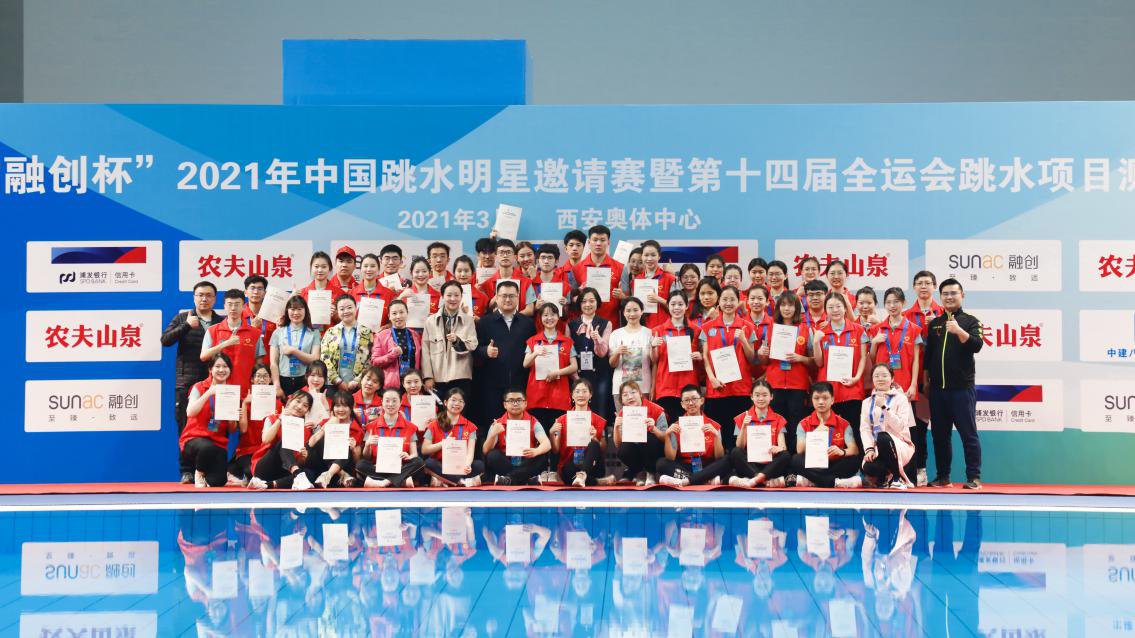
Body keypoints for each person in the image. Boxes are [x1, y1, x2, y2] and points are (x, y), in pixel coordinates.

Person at [925, 279, 984, 489]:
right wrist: (925, 382)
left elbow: (977, 345)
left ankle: (974, 478)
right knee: (940, 437)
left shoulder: (971, 321)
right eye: (945, 294)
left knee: (969, 435)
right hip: (937, 391)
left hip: (962, 390)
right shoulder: (935, 323)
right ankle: (943, 477)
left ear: (962, 295)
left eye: (953, 293)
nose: (949, 297)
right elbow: (928, 356)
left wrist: (959, 330)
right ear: (940, 297)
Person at [161, 280, 222, 482]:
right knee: (185, 427)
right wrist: (187, 326)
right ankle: (186, 471)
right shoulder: (183, 318)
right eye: (200, 295)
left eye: (208, 295)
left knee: (215, 427)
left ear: (215, 299)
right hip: (187, 383)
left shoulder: (220, 322)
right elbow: (165, 340)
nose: (204, 299)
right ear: (194, 297)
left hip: (214, 384)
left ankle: (207, 471)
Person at [473, 280, 536, 435]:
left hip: (519, 384)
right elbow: (474, 349)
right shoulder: (485, 322)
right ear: (496, 297)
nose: (508, 299)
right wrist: (485, 351)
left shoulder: (528, 324)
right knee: (493, 427)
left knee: (518, 429)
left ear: (518, 297)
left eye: (512, 296)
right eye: (504, 296)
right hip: (492, 385)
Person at [700, 285, 756, 449]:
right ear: (719, 301)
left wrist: (743, 340)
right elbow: (705, 356)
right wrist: (711, 378)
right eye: (725, 299)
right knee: (718, 435)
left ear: (738, 302)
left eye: (732, 299)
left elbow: (752, 358)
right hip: (716, 387)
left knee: (738, 435)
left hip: (741, 388)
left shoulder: (747, 326)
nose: (728, 303)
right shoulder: (707, 327)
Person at [812, 292, 869, 449]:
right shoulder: (821, 332)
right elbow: (819, 362)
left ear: (845, 308)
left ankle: (858, 462)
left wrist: (856, 377)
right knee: (830, 433)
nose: (835, 310)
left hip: (852, 389)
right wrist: (816, 342)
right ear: (825, 310)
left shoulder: (859, 330)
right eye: (830, 307)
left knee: (855, 430)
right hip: (829, 392)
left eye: (838, 306)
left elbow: (863, 357)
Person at [758, 291, 813, 451]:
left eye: (791, 305)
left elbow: (814, 361)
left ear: (797, 308)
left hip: (798, 384)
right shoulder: (770, 329)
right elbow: (764, 361)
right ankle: (779, 456)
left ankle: (795, 457)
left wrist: (800, 358)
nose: (787, 308)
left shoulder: (805, 330)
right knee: (777, 422)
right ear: (778, 308)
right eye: (783, 305)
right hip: (775, 383)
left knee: (797, 422)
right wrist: (762, 353)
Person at [180, 354, 241, 487]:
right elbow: (190, 412)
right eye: (217, 366)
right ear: (210, 370)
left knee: (218, 481)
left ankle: (207, 476)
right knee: (207, 447)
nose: (221, 370)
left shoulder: (231, 392)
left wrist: (233, 418)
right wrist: (209, 393)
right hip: (194, 439)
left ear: (230, 370)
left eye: (225, 366)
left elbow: (232, 430)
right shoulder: (199, 387)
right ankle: (199, 472)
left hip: (218, 443)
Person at [790, 382, 863, 488]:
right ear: (812, 400)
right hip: (814, 464)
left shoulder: (844, 423)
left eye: (825, 398)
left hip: (835, 463)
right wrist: (815, 434)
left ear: (832, 400)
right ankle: (835, 482)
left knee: (854, 461)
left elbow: (854, 450)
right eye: (816, 398)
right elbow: (800, 450)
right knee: (796, 459)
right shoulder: (803, 423)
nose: (821, 402)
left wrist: (842, 451)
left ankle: (814, 480)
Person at [200, 288, 266, 399]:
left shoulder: (254, 333)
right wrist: (225, 344)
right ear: (224, 306)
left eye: (237, 304)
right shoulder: (212, 330)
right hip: (218, 391)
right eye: (230, 304)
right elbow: (203, 356)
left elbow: (259, 365)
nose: (233, 308)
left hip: (244, 391)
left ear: (243, 306)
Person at [656, 385, 727, 487]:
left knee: (727, 460)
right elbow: (670, 458)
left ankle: (686, 480)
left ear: (702, 400)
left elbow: (719, 457)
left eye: (694, 399)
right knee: (661, 463)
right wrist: (667, 435)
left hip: (707, 466)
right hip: (686, 466)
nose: (690, 403)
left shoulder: (714, 426)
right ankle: (703, 480)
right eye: (686, 400)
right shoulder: (676, 426)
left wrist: (716, 436)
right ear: (682, 404)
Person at [523, 302, 579, 430]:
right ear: (540, 318)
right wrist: (535, 353)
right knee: (538, 432)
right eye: (545, 315)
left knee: (557, 432)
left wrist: (557, 372)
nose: (549, 318)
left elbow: (574, 366)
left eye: (553, 314)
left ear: (558, 317)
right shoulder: (533, 341)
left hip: (559, 395)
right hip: (537, 394)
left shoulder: (567, 341)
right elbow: (525, 364)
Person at [861, 364, 917, 489]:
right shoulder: (866, 402)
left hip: (899, 445)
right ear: (872, 379)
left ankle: (897, 478)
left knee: (883, 437)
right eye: (876, 376)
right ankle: (884, 479)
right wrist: (869, 449)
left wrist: (884, 407)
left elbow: (900, 427)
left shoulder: (901, 399)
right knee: (868, 466)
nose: (880, 379)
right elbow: (865, 428)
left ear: (892, 379)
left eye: (884, 375)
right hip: (878, 448)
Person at [356, 388, 426, 488]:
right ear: (382, 402)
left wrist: (408, 457)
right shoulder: (371, 426)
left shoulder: (410, 427)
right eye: (387, 400)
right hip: (378, 467)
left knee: (419, 462)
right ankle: (401, 481)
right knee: (360, 465)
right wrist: (367, 444)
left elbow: (414, 454)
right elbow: (367, 457)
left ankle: (384, 482)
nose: (390, 404)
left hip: (401, 467)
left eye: (394, 401)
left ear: (400, 402)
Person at [727, 381, 792, 488]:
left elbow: (783, 446)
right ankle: (764, 480)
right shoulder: (742, 417)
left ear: (771, 397)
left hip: (770, 464)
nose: (761, 399)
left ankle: (755, 480)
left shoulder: (779, 419)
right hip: (750, 464)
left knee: (785, 455)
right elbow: (740, 446)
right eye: (757, 395)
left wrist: (778, 448)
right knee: (735, 452)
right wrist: (744, 426)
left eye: (765, 395)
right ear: (751, 397)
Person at [650, 290, 702, 424]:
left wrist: (700, 356)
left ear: (687, 306)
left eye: (680, 304)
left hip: (689, 386)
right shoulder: (657, 331)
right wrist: (653, 347)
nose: (677, 308)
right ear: (668, 306)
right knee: (669, 428)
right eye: (673, 304)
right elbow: (654, 360)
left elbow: (704, 360)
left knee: (689, 427)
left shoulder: (696, 330)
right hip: (666, 386)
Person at [421, 281, 478, 399]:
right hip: (437, 378)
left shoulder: (468, 320)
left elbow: (473, 345)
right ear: (442, 296)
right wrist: (427, 376)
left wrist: (457, 341)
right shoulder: (430, 321)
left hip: (461, 377)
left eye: (457, 295)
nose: (453, 299)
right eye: (449, 295)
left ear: (461, 297)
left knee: (459, 409)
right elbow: (425, 351)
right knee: (438, 410)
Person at [247, 390, 315, 489]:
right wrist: (280, 419)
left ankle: (267, 485)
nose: (300, 406)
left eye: (305, 405)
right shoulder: (272, 418)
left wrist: (302, 457)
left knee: (310, 474)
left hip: (285, 470)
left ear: (307, 411)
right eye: (298, 401)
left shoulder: (305, 430)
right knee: (284, 442)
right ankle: (298, 475)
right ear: (290, 401)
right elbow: (265, 439)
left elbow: (298, 463)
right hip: (265, 468)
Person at [482, 388, 552, 485]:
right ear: (505, 405)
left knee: (541, 455)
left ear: (525, 403)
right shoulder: (497, 423)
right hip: (506, 462)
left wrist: (536, 451)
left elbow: (547, 444)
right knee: (492, 455)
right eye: (511, 401)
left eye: (519, 400)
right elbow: (485, 451)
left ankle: (509, 480)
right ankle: (524, 479)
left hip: (526, 461)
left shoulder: (533, 421)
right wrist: (493, 434)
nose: (515, 404)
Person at [549, 379, 610, 487]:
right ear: (572, 395)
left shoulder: (598, 420)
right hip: (571, 466)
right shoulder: (561, 420)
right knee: (567, 473)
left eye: (584, 391)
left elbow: (603, 449)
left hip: (593, 466)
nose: (581, 395)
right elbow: (556, 450)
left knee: (594, 444)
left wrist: (596, 438)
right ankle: (596, 482)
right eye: (577, 391)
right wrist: (551, 434)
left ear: (590, 395)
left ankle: (582, 476)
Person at [421, 388, 484, 487]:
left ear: (464, 405)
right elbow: (424, 449)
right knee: (428, 463)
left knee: (479, 465)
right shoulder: (434, 424)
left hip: (460, 466)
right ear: (445, 402)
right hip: (441, 464)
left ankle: (444, 480)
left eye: (461, 401)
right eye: (453, 400)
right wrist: (443, 444)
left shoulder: (471, 427)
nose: (457, 403)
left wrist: (467, 465)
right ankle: (461, 482)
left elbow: (470, 452)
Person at [568, 287, 613, 422]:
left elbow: (603, 353)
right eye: (584, 301)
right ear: (579, 304)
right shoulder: (571, 325)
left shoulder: (606, 323)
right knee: (579, 411)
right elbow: (569, 354)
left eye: (592, 301)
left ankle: (600, 434)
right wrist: (576, 378)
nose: (588, 304)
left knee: (600, 410)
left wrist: (597, 339)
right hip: (578, 375)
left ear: (597, 302)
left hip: (600, 374)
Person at [232, 363, 281, 484]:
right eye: (258, 376)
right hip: (247, 450)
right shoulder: (245, 402)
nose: (262, 379)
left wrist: (276, 417)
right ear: (252, 379)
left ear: (270, 379)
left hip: (267, 450)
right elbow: (243, 429)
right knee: (253, 472)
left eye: (265, 376)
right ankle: (241, 474)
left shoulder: (278, 404)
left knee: (268, 473)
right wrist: (244, 404)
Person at [613, 381, 668, 486]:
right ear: (622, 400)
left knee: (648, 438)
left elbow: (666, 439)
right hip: (636, 451)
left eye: (633, 392)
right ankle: (639, 473)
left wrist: (654, 429)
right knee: (624, 449)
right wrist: (616, 428)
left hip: (655, 451)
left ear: (640, 394)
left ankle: (651, 473)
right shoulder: (622, 414)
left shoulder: (657, 410)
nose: (630, 397)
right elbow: (618, 445)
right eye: (625, 395)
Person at [307, 391, 364, 488]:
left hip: (344, 467)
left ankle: (328, 475)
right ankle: (341, 474)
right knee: (321, 440)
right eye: (337, 406)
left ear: (351, 408)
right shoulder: (326, 422)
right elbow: (310, 444)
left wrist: (354, 449)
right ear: (333, 407)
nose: (341, 409)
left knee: (345, 446)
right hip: (323, 466)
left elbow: (356, 462)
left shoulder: (357, 429)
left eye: (345, 406)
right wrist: (326, 427)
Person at [320, 294, 374, 396]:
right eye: (342, 309)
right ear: (337, 311)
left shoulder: (366, 332)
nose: (346, 311)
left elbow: (370, 359)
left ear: (356, 307)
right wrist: (337, 380)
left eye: (349, 307)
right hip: (333, 384)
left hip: (358, 385)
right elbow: (324, 358)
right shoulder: (331, 332)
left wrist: (357, 381)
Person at [268, 295, 321, 399]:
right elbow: (273, 363)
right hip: (283, 381)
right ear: (287, 311)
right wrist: (277, 386)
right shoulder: (278, 332)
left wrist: (293, 350)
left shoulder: (314, 332)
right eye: (292, 309)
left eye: (300, 309)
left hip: (305, 380)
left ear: (305, 311)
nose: (296, 313)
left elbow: (315, 358)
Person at [571, 225, 625, 324]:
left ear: (608, 242)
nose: (598, 243)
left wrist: (622, 296)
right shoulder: (576, 269)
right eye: (595, 240)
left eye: (602, 240)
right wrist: (576, 298)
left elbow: (629, 300)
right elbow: (571, 298)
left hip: (612, 323)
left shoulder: (621, 268)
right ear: (588, 242)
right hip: (584, 325)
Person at [609, 298, 654, 412]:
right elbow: (612, 364)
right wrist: (617, 352)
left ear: (642, 311)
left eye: (635, 310)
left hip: (643, 387)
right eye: (628, 310)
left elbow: (654, 363)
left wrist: (653, 386)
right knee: (623, 419)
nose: (632, 314)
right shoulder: (616, 334)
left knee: (643, 419)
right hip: (621, 388)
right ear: (623, 312)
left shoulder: (649, 333)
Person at [370, 300, 422, 389]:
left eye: (401, 312)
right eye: (394, 313)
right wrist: (392, 355)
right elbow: (374, 362)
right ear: (389, 316)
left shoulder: (416, 335)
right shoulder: (380, 336)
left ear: (407, 313)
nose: (398, 316)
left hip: (413, 384)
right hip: (391, 385)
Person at [479, 239, 536, 316]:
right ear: (496, 256)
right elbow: (484, 311)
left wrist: (510, 317)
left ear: (514, 256)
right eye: (501, 252)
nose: (505, 256)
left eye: (508, 252)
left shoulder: (527, 282)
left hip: (520, 322)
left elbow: (530, 310)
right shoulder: (486, 284)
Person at [632, 240, 677, 330]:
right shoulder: (637, 280)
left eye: (653, 255)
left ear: (659, 256)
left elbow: (677, 307)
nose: (649, 259)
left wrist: (660, 300)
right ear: (642, 257)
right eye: (646, 255)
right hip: (642, 329)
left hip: (664, 329)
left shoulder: (669, 278)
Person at [298, 251, 345, 328]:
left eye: (324, 267)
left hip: (332, 335)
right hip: (308, 334)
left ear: (330, 269)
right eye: (316, 266)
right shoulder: (302, 293)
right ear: (311, 268)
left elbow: (347, 322)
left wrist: (336, 315)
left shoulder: (340, 294)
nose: (320, 270)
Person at [351, 252, 398, 328]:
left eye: (372, 266)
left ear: (378, 270)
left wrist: (387, 326)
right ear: (360, 269)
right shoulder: (351, 293)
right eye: (365, 266)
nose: (369, 269)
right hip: (356, 334)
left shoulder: (389, 294)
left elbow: (395, 319)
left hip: (381, 334)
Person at [240, 275, 276, 364]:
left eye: (260, 289)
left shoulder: (273, 315)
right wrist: (252, 329)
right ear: (245, 292)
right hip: (245, 365)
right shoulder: (238, 315)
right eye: (252, 288)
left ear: (265, 293)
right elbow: (236, 343)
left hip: (269, 366)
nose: (256, 292)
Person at [531, 244, 572, 318]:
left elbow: (568, 315)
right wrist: (536, 308)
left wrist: (564, 307)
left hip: (558, 325)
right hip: (535, 325)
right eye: (543, 257)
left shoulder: (566, 286)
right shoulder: (530, 284)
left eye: (550, 258)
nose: (546, 261)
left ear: (556, 261)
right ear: (537, 260)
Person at [397, 257, 442, 323]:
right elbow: (393, 315)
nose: (421, 274)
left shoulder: (438, 295)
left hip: (430, 329)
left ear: (430, 273)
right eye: (417, 272)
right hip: (408, 329)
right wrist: (400, 297)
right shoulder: (404, 294)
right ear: (411, 273)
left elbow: (442, 319)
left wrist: (434, 317)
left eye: (424, 271)